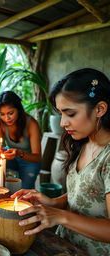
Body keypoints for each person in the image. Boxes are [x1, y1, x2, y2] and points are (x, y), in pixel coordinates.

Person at [11, 68, 110, 255]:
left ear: (99, 109)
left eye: (70, 114)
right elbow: (84, 194)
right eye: (60, 113)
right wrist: (54, 203)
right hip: (66, 245)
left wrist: (62, 217)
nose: (63, 122)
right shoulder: (84, 143)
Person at [0, 91, 41, 189]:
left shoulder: (31, 124)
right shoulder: (0, 123)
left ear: (18, 109)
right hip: (11, 157)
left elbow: (37, 158)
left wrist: (19, 153)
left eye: (11, 113)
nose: (7, 118)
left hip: (29, 161)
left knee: (25, 191)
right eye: (2, 114)